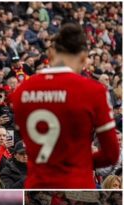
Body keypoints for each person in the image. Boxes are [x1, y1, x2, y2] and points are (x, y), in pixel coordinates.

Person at [12, 23, 119, 188]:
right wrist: (78, 163)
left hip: (36, 186)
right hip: (77, 186)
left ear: (51, 53)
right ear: (84, 58)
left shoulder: (21, 90)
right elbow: (111, 155)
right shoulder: (94, 91)